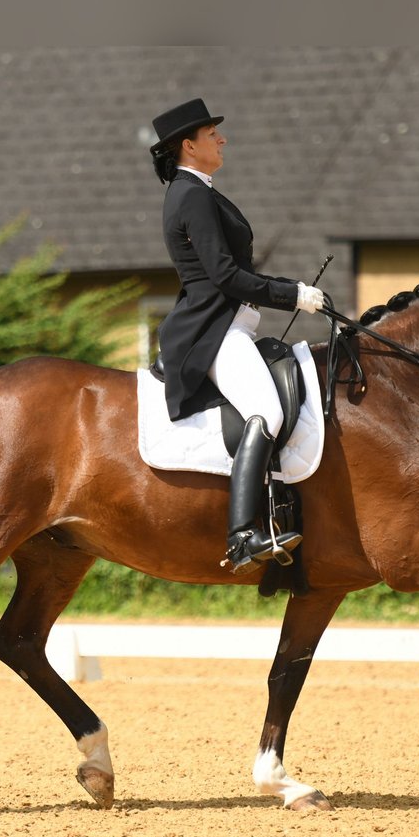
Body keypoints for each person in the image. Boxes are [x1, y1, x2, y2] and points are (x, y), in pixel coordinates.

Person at [148, 98, 327, 574]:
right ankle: (244, 535)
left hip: (233, 326)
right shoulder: (191, 196)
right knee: (265, 410)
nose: (222, 139)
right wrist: (292, 294)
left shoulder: (201, 191)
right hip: (213, 331)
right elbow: (225, 276)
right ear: (189, 145)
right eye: (212, 134)